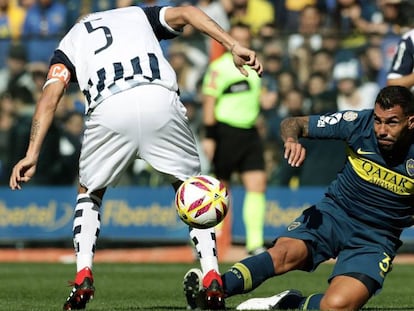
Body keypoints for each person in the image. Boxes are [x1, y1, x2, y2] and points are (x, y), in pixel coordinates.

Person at [8, 4, 263, 310]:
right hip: (159, 99)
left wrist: (31, 152)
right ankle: (211, 277)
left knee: (89, 193)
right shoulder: (137, 14)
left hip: (109, 107)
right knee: (193, 189)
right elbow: (189, 12)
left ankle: (83, 274)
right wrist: (232, 44)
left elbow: (50, 98)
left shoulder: (71, 40)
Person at [184, 85, 414, 310]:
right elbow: (293, 123)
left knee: (337, 306)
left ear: (410, 121)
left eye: (392, 122)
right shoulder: (358, 122)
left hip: (377, 236)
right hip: (333, 215)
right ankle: (216, 291)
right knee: (284, 254)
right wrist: (292, 141)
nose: (381, 129)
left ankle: (286, 304)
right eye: (378, 120)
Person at [201, 22, 267, 256]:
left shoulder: (255, 66)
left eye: (245, 38)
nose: (241, 43)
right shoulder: (218, 68)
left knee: (257, 184)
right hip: (226, 131)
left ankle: (254, 243)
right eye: (236, 38)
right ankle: (212, 242)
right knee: (219, 190)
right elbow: (209, 102)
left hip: (249, 132)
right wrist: (210, 137)